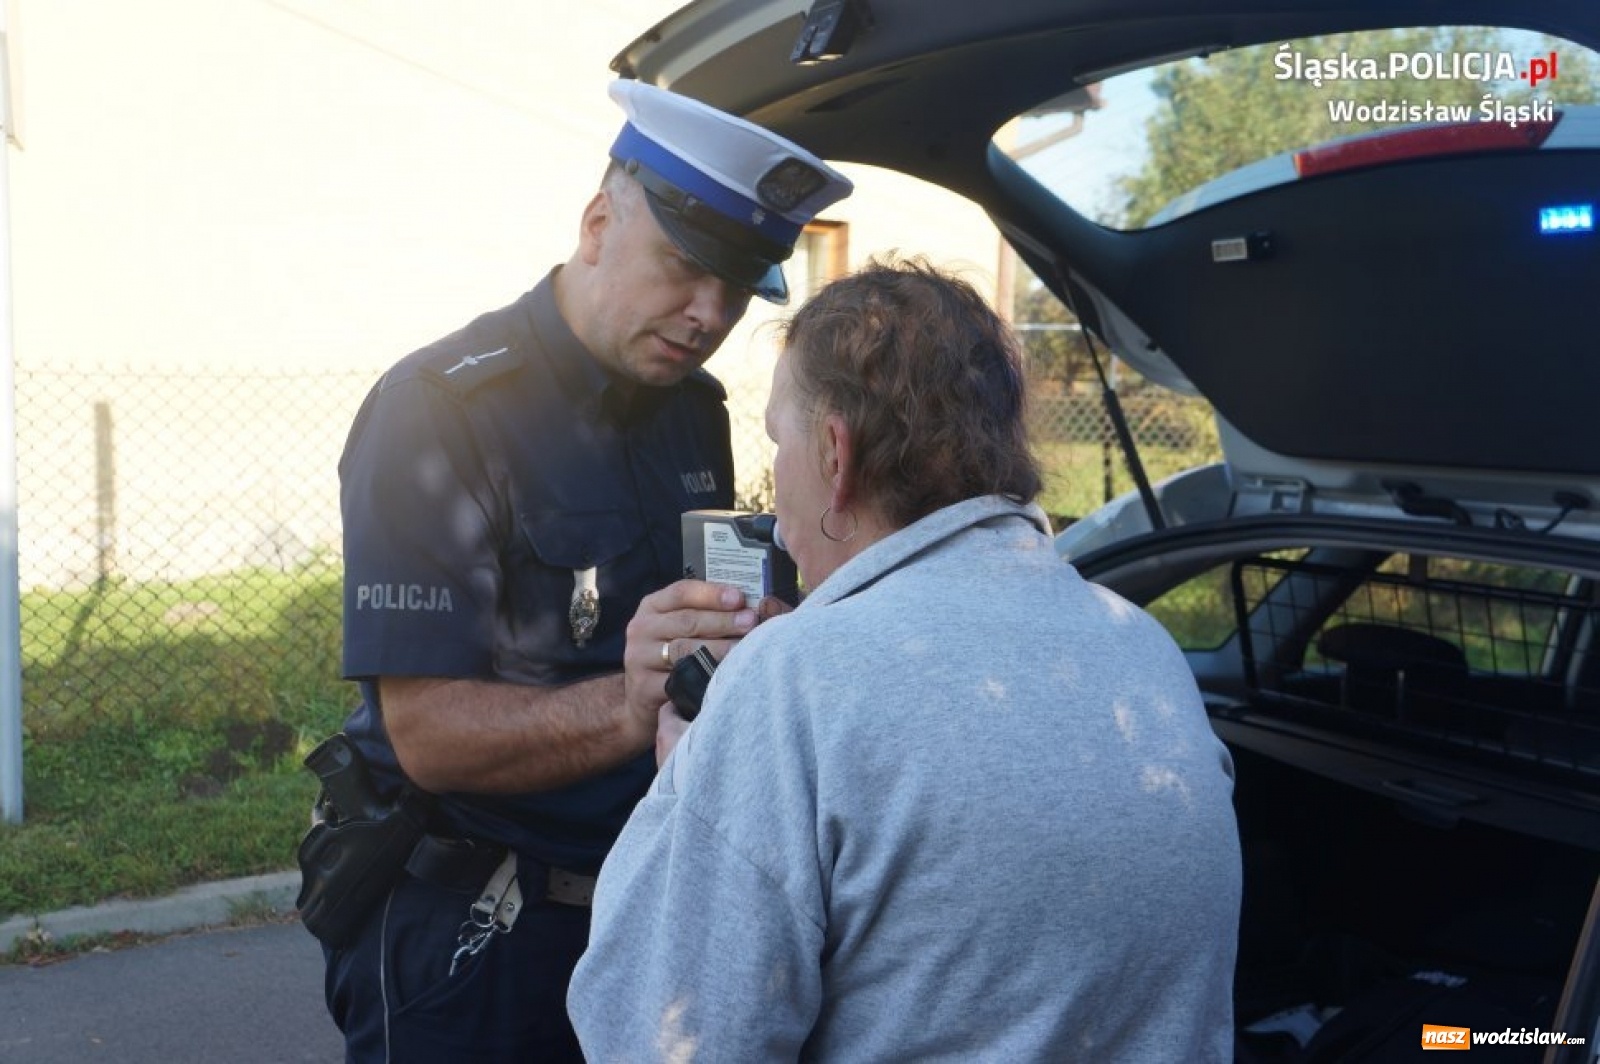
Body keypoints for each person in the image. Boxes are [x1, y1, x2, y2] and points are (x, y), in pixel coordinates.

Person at [568, 259, 1243, 1062]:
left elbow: (658, 1038)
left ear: (834, 454)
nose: (775, 514)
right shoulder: (1142, 646)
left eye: (778, 444)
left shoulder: (794, 680)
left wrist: (699, 788)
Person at [317, 80, 852, 1063]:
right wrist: (633, 699)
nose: (708, 312)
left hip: (644, 911)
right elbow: (427, 731)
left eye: (740, 287)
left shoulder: (694, 408)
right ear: (599, 222)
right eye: (685, 268)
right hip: (477, 937)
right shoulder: (438, 409)